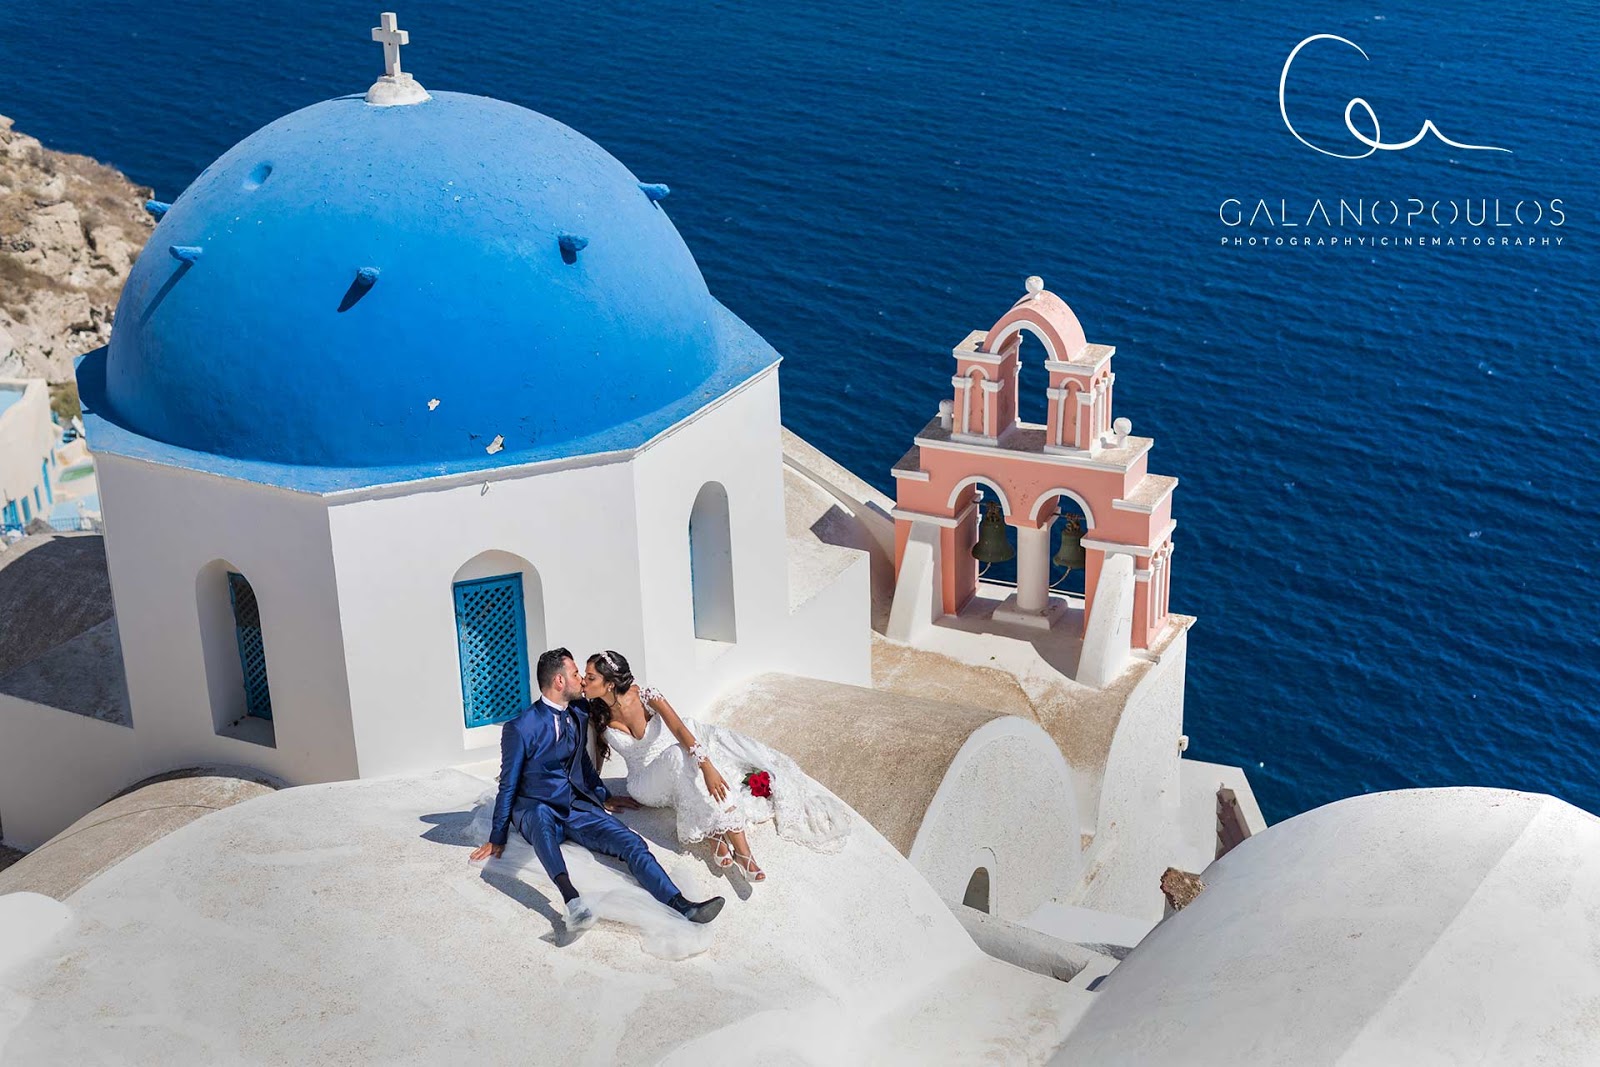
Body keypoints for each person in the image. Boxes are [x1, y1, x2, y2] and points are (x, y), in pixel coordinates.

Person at [469, 648, 725, 932]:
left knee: (631, 842)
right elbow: (508, 783)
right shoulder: (520, 728)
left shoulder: (579, 711)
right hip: (535, 806)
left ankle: (682, 905)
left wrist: (604, 796)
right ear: (559, 681)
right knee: (541, 822)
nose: (581, 680)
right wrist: (497, 836)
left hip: (576, 807)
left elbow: (582, 763)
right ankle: (572, 901)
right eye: (576, 674)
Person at [581, 649, 851, 881]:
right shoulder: (595, 714)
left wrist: (707, 766)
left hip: (677, 766)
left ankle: (735, 848)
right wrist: (601, 795)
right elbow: (590, 761)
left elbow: (678, 727)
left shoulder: (647, 695)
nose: (584, 681)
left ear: (610, 684)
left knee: (689, 764)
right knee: (680, 756)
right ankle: (726, 842)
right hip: (644, 783)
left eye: (590, 677)